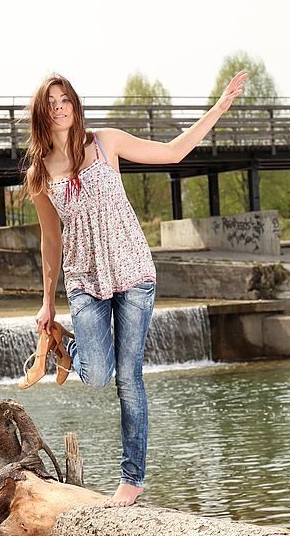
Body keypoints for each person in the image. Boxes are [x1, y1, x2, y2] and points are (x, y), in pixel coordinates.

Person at [20, 70, 248, 507]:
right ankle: (65, 345)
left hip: (134, 274)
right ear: (41, 113)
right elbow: (52, 240)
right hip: (85, 280)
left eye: (65, 98)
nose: (61, 106)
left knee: (128, 378)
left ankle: (132, 479)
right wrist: (47, 304)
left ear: (75, 104)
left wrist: (219, 105)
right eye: (51, 102)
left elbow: (173, 152)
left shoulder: (105, 142)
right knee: (99, 376)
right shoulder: (39, 174)